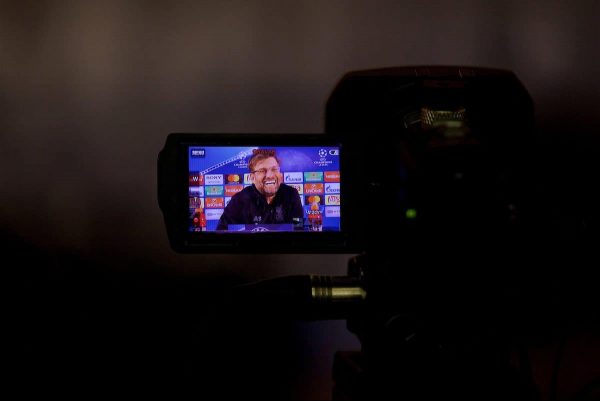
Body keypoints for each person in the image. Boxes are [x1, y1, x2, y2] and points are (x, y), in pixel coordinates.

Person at [216, 149, 304, 230]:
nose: (270, 175)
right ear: (252, 177)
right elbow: (222, 232)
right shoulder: (239, 200)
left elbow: (299, 229)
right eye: (262, 171)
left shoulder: (291, 194)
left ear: (280, 173)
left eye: (274, 169)